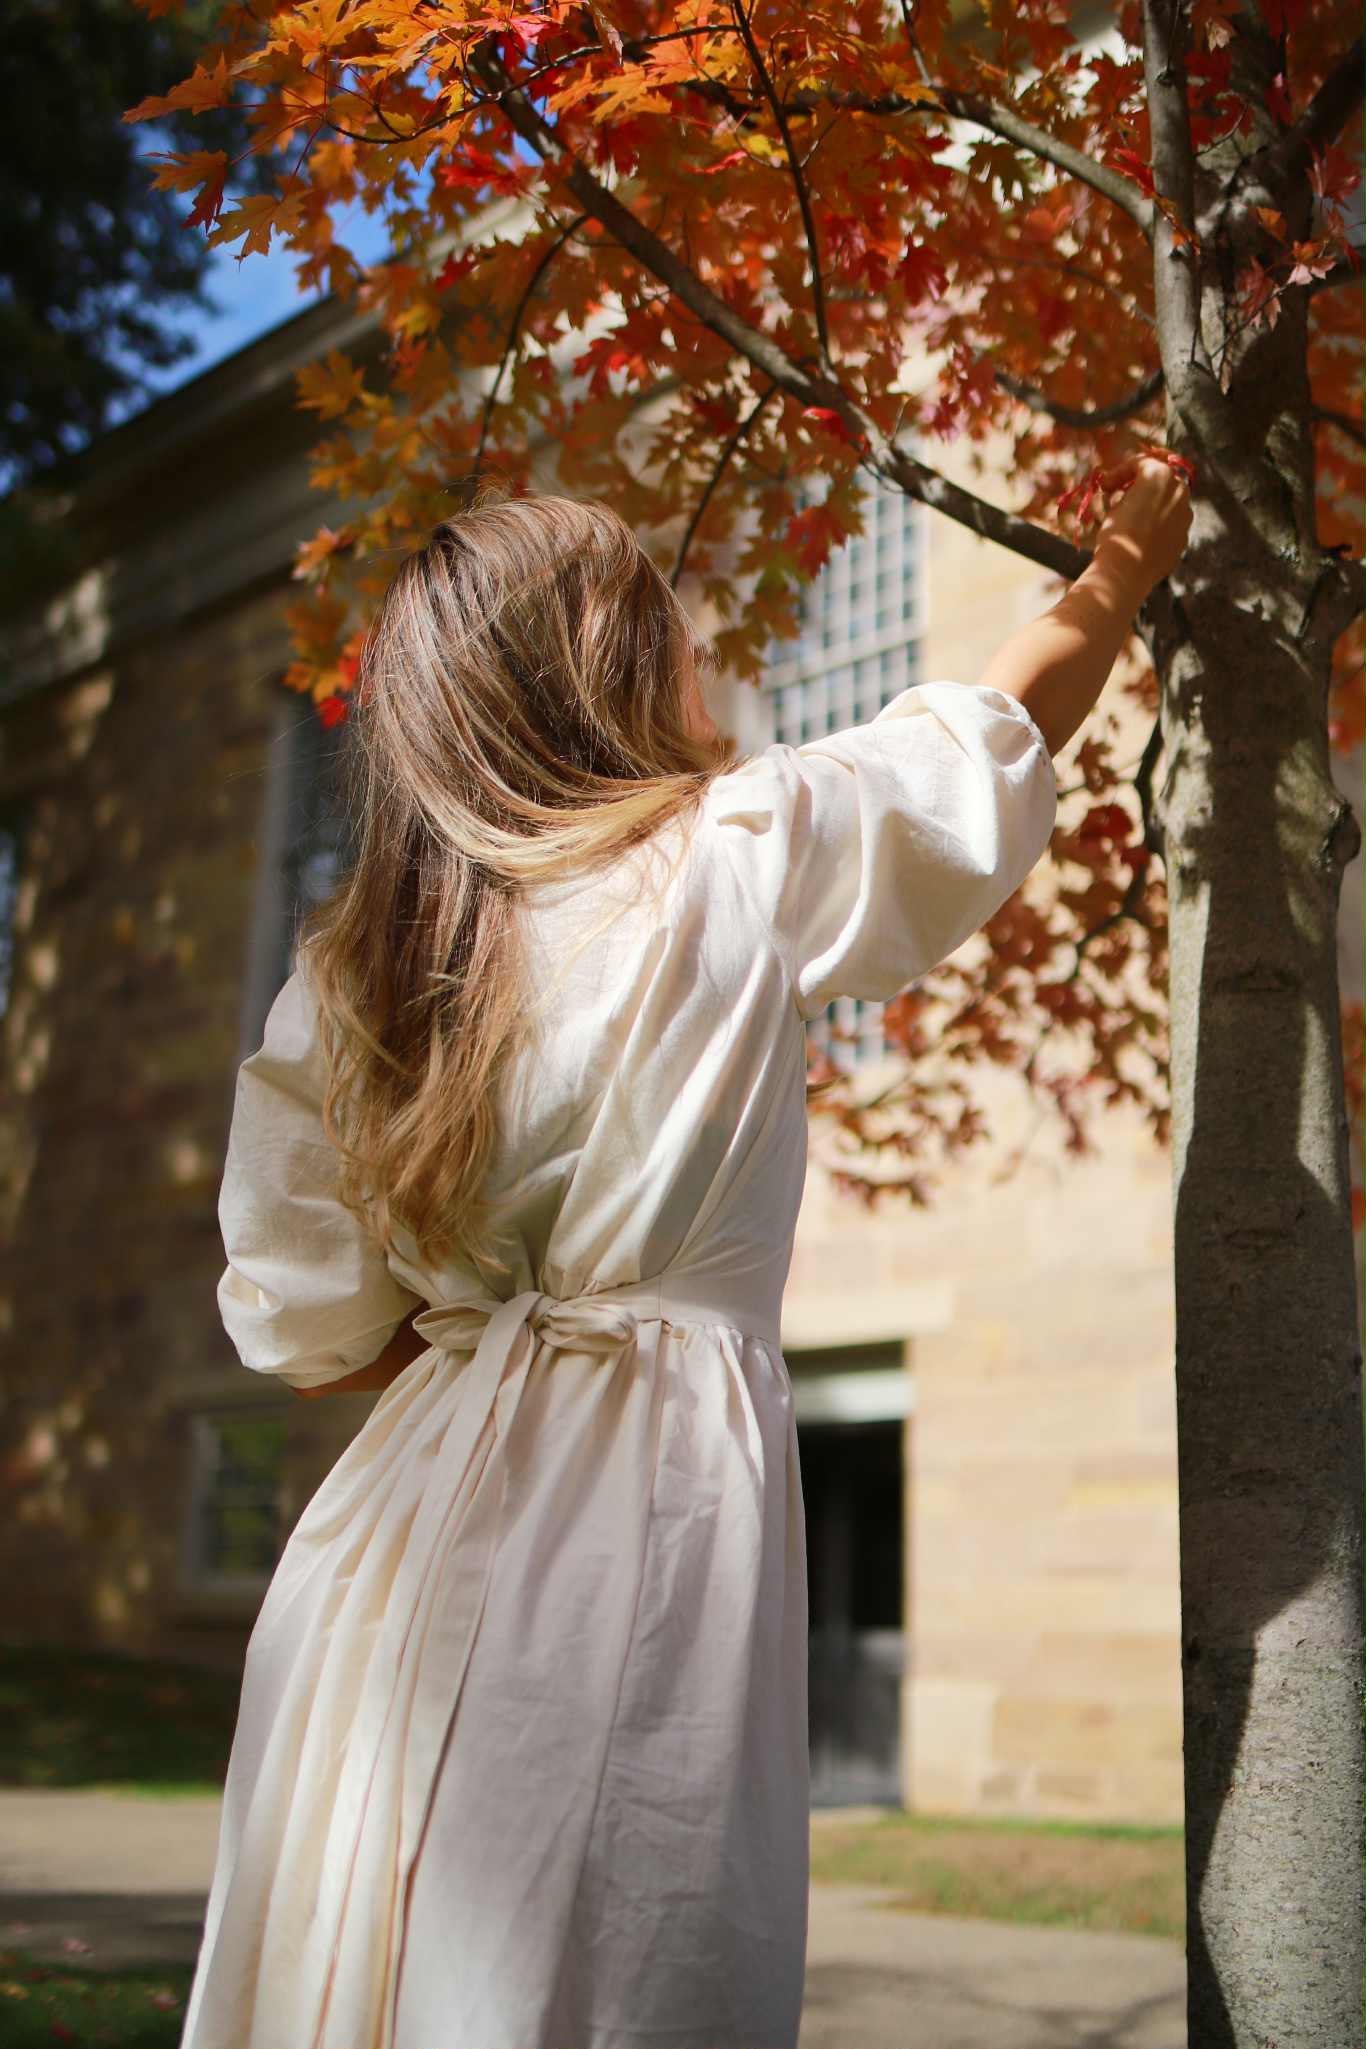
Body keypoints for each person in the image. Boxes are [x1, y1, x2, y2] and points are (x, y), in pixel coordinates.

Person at [182, 454, 1192, 2049]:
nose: (696, 637)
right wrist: (1119, 565)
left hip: (382, 1544)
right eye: (656, 616)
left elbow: (302, 1317)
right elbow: (987, 739)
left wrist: (481, 1348)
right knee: (608, 1946)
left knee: (390, 1949)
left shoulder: (357, 970)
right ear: (600, 664)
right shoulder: (736, 845)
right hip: (637, 1499)